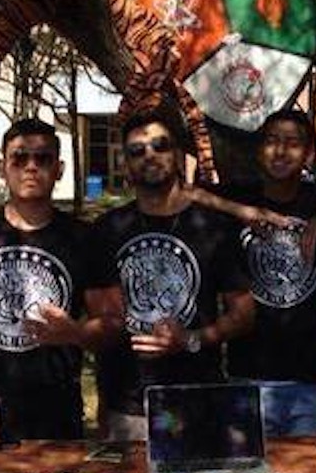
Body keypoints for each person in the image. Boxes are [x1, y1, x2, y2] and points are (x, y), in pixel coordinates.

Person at [0, 118, 123, 447]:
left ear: (59, 169)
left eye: (43, 158)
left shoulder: (85, 240)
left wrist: (75, 333)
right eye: (19, 158)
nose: (31, 167)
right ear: (3, 168)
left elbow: (113, 324)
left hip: (55, 419)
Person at [95, 107, 256, 440]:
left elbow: (245, 313)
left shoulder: (215, 228)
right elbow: (105, 323)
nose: (149, 155)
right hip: (129, 406)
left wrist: (192, 339)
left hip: (200, 397)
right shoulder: (107, 230)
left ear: (179, 154)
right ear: (125, 163)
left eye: (160, 145)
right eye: (137, 151)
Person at [189, 110, 316, 435]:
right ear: (259, 149)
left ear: (309, 153)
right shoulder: (240, 197)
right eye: (272, 141)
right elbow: (184, 192)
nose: (281, 151)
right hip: (249, 373)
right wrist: (241, 211)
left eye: (292, 143)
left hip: (313, 379)